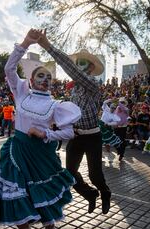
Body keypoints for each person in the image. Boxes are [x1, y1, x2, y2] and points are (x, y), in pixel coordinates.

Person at [0, 29, 81, 229]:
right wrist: (26, 43)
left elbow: (69, 132)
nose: (45, 79)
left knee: (40, 199)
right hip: (16, 152)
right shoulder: (21, 93)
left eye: (48, 77)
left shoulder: (56, 105)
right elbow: (9, 69)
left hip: (40, 156)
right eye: (40, 75)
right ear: (31, 79)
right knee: (12, 196)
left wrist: (44, 132)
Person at [37, 29, 112, 214]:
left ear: (91, 69)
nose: (78, 66)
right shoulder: (74, 89)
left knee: (95, 175)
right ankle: (90, 194)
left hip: (93, 136)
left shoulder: (93, 85)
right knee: (69, 173)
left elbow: (70, 69)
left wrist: (48, 46)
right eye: (77, 63)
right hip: (76, 135)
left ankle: (105, 192)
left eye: (82, 64)